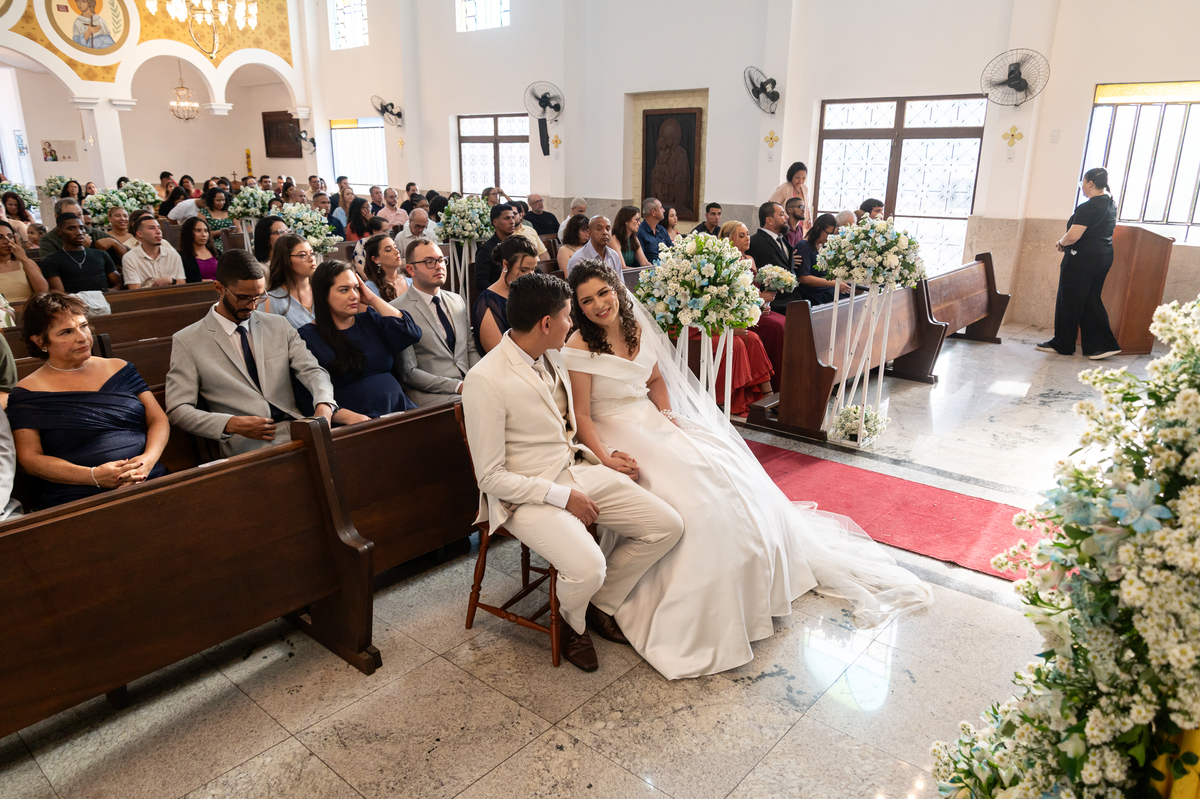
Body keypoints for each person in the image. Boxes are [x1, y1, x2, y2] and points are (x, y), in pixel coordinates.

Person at [560, 262, 932, 679]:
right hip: (613, 430)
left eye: (603, 293)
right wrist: (606, 456)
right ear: (578, 307)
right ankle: (660, 608)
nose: (599, 305)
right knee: (695, 503)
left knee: (729, 474)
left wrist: (668, 416)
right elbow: (582, 416)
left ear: (616, 289)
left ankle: (754, 593)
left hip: (651, 420)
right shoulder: (579, 345)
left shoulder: (636, 328)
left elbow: (656, 381)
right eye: (587, 301)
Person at [462, 271, 684, 672]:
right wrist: (563, 497)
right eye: (568, 315)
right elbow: (490, 478)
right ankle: (572, 625)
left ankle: (601, 602)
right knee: (587, 566)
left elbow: (570, 425)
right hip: (525, 495)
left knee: (666, 526)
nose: (573, 323)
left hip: (576, 468)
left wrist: (608, 454)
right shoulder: (485, 379)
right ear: (547, 324)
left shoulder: (553, 354)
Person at [167, 250, 336, 457]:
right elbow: (178, 409)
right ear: (219, 288)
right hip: (246, 443)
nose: (253, 305)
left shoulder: (278, 325)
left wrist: (324, 405)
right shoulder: (188, 340)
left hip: (297, 428)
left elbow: (312, 370)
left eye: (259, 296)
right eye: (243, 298)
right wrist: (231, 424)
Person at [8, 293, 168, 509]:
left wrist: (147, 461)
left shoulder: (120, 368)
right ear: (39, 341)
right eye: (66, 332)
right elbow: (30, 459)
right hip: (80, 496)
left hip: (148, 478)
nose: (82, 337)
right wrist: (93, 476)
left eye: (83, 326)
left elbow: (158, 419)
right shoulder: (28, 392)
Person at [296, 260, 421, 422]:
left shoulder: (370, 320)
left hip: (400, 410)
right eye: (344, 290)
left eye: (356, 288)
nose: (354, 295)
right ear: (323, 294)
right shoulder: (308, 336)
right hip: (355, 422)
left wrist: (373, 299)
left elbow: (411, 334)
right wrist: (347, 417)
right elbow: (306, 398)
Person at [1036, 167, 1123, 360]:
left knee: (1069, 300)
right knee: (1090, 299)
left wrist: (1061, 242)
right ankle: (1101, 346)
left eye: (1082, 183)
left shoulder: (1088, 207)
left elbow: (1074, 235)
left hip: (1082, 259)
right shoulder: (1110, 204)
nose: (1082, 187)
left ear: (1090, 183)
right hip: (1103, 257)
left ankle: (1064, 344)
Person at [394, 239, 478, 406]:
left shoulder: (456, 300)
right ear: (410, 269)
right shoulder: (397, 310)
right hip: (432, 393)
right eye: (429, 262)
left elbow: (470, 348)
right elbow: (409, 372)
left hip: (469, 384)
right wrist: (458, 386)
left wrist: (479, 377)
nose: (439, 266)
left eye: (441, 260)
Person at [721, 219, 786, 393]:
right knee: (777, 327)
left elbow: (755, 289)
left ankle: (784, 381)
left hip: (755, 309)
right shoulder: (727, 262)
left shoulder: (750, 259)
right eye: (741, 236)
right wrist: (760, 299)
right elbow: (734, 296)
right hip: (740, 313)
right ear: (730, 239)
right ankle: (774, 384)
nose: (748, 238)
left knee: (785, 322)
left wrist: (764, 303)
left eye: (748, 234)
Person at [473, 236, 538, 356]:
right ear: (505, 264)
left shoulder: (530, 293)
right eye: (524, 270)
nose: (530, 276)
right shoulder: (488, 303)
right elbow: (500, 355)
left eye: (533, 269)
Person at [40, 213, 121, 292]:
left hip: (106, 298)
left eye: (81, 228)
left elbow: (118, 285)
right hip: (73, 300)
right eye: (71, 229)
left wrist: (101, 295)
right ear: (59, 231)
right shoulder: (52, 260)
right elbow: (60, 294)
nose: (79, 232)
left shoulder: (101, 254)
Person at [38, 199, 125, 260]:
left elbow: (128, 256)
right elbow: (50, 267)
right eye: (71, 215)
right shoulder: (49, 239)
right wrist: (80, 248)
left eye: (79, 215)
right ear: (57, 217)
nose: (77, 219)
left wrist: (114, 243)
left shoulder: (94, 233)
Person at [263, 233, 317, 329]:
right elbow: (269, 335)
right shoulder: (271, 300)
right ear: (285, 260)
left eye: (312, 253)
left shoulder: (323, 289)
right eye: (302, 255)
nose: (311, 259)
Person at [121, 215, 185, 289]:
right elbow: (135, 290)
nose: (158, 232)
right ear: (140, 234)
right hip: (145, 296)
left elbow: (182, 284)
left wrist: (172, 281)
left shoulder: (173, 254)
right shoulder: (129, 258)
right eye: (151, 228)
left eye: (159, 228)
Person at [473, 203, 518, 292]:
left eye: (513, 217)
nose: (512, 222)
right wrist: (503, 293)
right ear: (495, 222)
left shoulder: (518, 244)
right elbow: (481, 282)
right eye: (507, 218)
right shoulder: (486, 249)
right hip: (499, 295)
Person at [0, 220, 48, 302]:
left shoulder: (26, 262)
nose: (7, 241)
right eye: (0, 237)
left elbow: (43, 291)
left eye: (10, 237)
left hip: (28, 308)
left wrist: (24, 259)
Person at [361, 233, 410, 302]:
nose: (397, 251)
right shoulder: (368, 290)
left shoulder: (412, 282)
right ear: (376, 259)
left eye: (395, 247)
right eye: (388, 250)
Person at [768, 161, 811, 237]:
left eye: (803, 178)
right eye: (797, 178)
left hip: (800, 228)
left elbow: (807, 207)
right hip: (786, 228)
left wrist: (809, 219)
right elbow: (770, 206)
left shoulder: (804, 188)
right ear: (791, 176)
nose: (801, 181)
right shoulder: (784, 188)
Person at [179, 216, 218, 282]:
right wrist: (202, 282)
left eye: (206, 231)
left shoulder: (216, 253)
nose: (204, 234)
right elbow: (184, 281)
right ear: (189, 233)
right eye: (198, 231)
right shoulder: (183, 256)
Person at [199, 187, 234, 253]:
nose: (221, 203)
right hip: (212, 242)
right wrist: (222, 232)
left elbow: (238, 229)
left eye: (223, 200)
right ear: (211, 200)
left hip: (230, 240)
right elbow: (201, 233)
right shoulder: (203, 212)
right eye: (218, 200)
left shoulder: (230, 211)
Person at [636, 198, 671, 263]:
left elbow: (672, 249)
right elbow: (641, 260)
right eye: (660, 208)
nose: (663, 210)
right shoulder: (640, 232)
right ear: (653, 212)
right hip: (649, 267)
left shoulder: (661, 229)